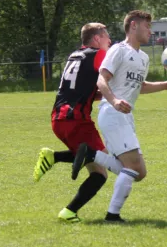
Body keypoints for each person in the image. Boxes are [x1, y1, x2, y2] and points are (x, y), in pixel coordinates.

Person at [72, 10, 167, 223]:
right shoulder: (118, 50)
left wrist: (166, 85)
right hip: (113, 113)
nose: (150, 31)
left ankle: (91, 155)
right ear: (133, 26)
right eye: (147, 27)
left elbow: (139, 87)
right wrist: (114, 100)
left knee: (138, 172)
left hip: (125, 116)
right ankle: (112, 215)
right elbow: (101, 80)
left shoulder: (142, 58)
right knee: (134, 167)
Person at [33, 22, 124, 223]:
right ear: (97, 39)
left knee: (92, 159)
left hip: (59, 118)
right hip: (76, 121)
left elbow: (84, 90)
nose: (109, 41)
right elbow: (115, 77)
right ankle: (69, 211)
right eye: (106, 36)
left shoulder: (75, 55)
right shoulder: (98, 55)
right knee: (101, 169)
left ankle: (54, 159)